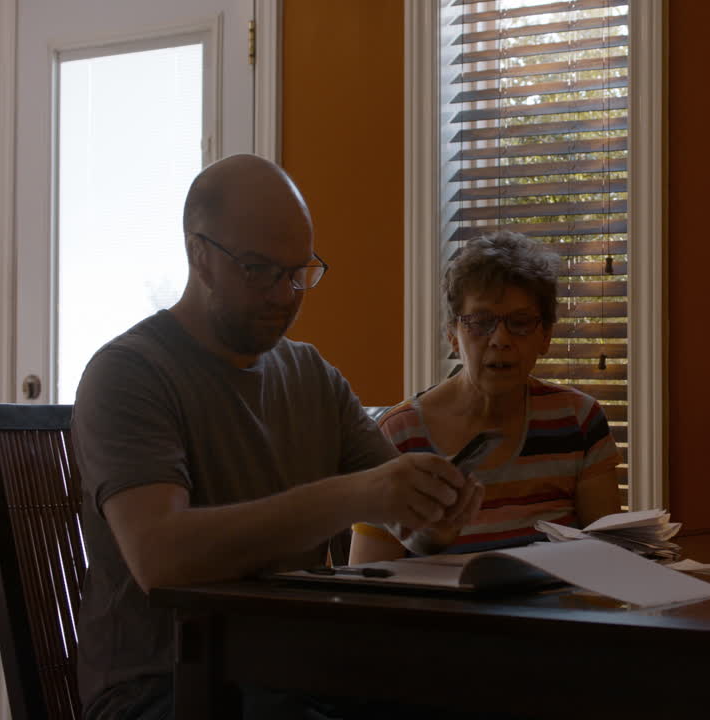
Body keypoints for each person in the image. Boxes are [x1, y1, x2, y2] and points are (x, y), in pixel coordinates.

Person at [73, 154, 482, 720]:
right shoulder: (129, 374)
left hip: (293, 672)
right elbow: (160, 556)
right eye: (259, 270)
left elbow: (403, 518)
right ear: (200, 256)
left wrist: (435, 514)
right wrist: (356, 495)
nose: (286, 294)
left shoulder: (310, 374)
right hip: (161, 687)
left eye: (299, 273)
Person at [348, 231, 622, 563]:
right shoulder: (398, 434)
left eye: (520, 323)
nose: (500, 339)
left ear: (546, 335)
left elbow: (611, 559)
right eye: (481, 323)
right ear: (452, 335)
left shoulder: (579, 420)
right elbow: (369, 581)